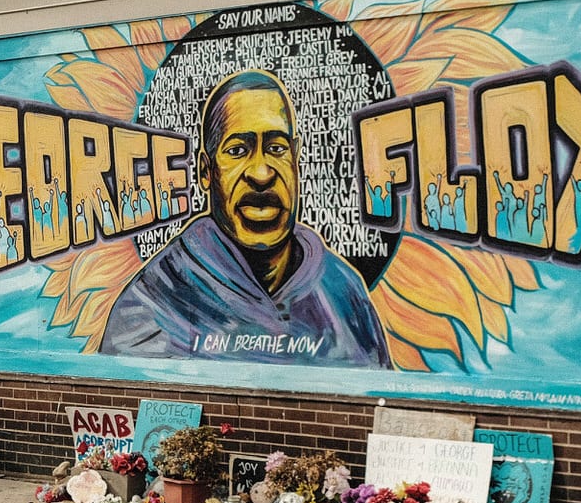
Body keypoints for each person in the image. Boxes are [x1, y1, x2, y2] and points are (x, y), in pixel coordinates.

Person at [102, 70, 391, 367]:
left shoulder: (343, 292)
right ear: (206, 171)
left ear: (295, 158)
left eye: (276, 149)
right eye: (238, 150)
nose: (261, 173)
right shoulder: (152, 304)